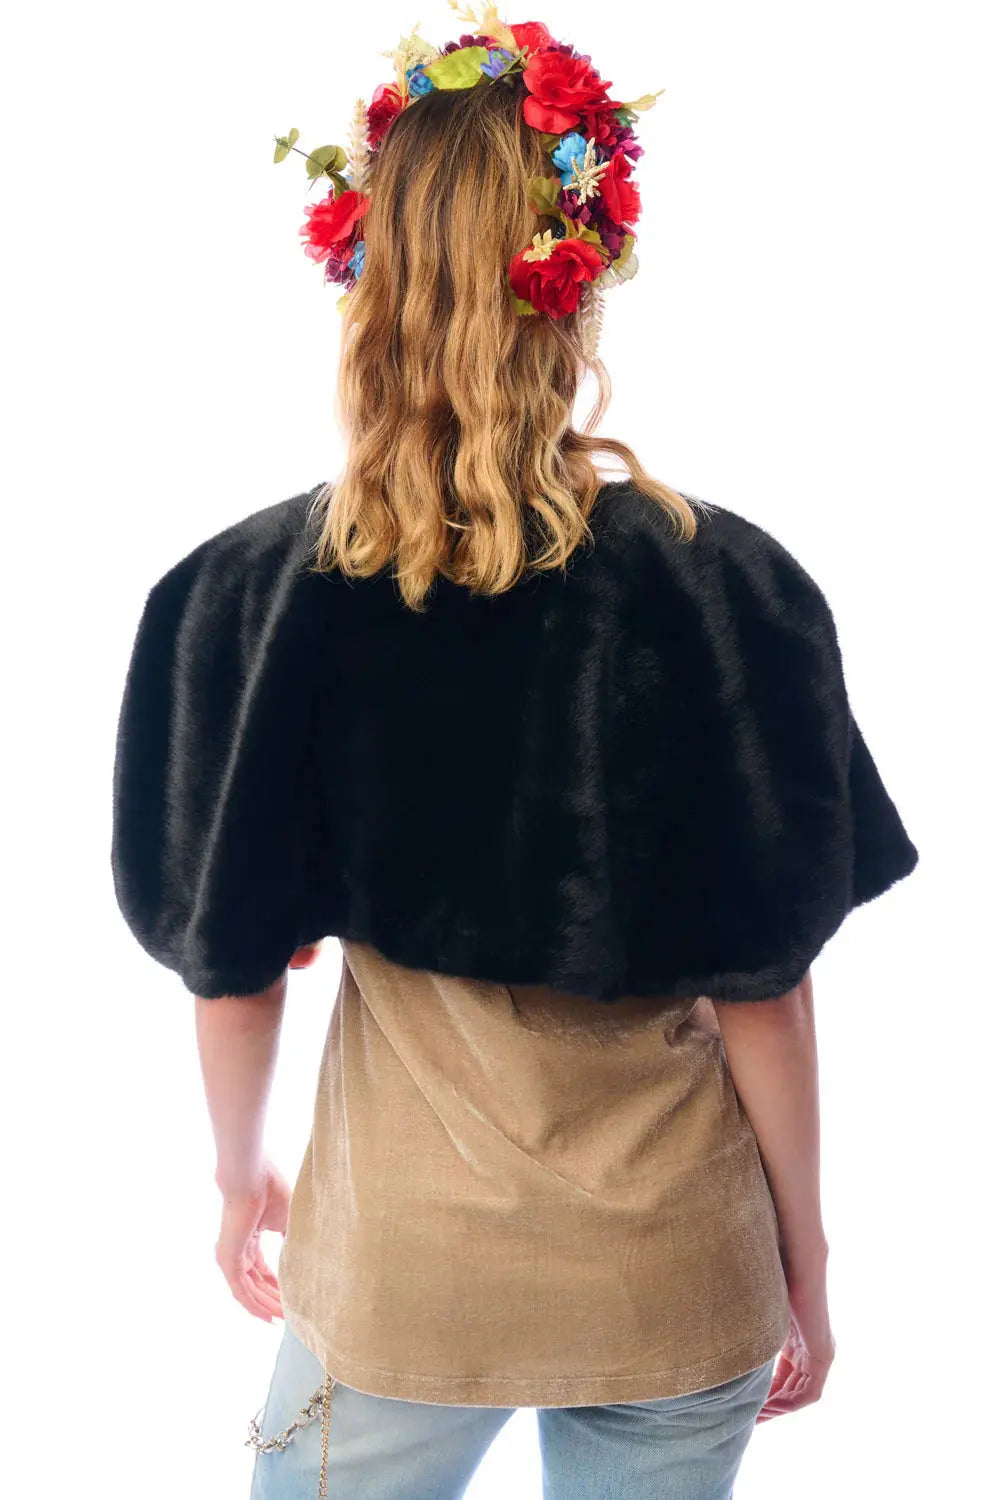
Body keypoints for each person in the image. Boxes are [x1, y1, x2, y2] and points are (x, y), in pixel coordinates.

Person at [110, 12, 919, 1500]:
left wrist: (238, 1178)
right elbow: (768, 990)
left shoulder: (243, 598)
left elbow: (231, 972)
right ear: (579, 280)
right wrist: (806, 1259)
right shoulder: (727, 587)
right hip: (676, 1278)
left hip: (401, 1279)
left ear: (371, 268)